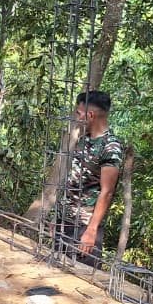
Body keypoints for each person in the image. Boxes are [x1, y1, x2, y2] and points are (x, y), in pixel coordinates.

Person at [58, 90, 123, 267]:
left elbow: (107, 192)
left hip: (84, 226)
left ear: (91, 115)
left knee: (81, 276)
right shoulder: (83, 139)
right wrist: (57, 217)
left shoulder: (110, 147)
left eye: (79, 113)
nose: (77, 117)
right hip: (66, 221)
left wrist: (91, 231)